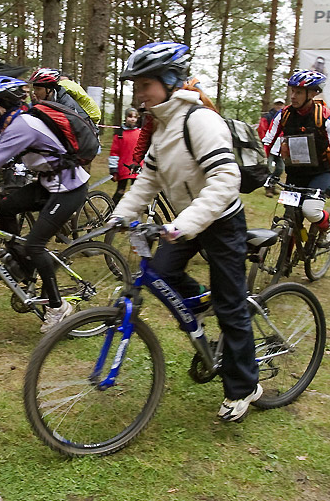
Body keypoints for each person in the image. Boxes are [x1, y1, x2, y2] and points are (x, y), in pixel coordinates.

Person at [110, 41, 261, 422]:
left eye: (145, 85)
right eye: (137, 86)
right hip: (186, 221)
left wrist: (183, 225)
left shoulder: (199, 120)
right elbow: (147, 180)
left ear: (169, 80)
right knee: (159, 273)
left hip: (222, 220)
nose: (139, 93)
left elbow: (227, 179)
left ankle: (244, 387)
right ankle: (199, 304)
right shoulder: (162, 127)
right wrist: (119, 214)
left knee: (231, 305)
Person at [0, 75, 89, 333]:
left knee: (35, 243)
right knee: (6, 207)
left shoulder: (22, 125)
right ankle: (24, 265)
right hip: (48, 184)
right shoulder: (11, 125)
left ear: (2, 105)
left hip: (69, 188)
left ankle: (58, 307)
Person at [262, 70, 330, 234]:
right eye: (292, 91)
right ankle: (287, 258)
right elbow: (267, 142)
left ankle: (327, 228)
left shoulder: (325, 117)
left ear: (313, 93)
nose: (293, 96)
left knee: (310, 211)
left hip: (320, 173)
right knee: (291, 217)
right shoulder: (284, 115)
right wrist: (262, 170)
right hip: (295, 174)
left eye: (298, 92)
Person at [28, 68, 96, 123]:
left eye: (38, 89)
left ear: (49, 89)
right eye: (34, 89)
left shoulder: (66, 104)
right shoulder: (41, 101)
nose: (35, 92)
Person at [108, 107, 140, 203]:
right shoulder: (119, 134)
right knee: (120, 192)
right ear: (125, 117)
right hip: (124, 168)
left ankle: (136, 215)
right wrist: (114, 170)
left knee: (137, 194)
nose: (132, 119)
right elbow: (114, 152)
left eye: (135, 117)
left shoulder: (140, 133)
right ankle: (109, 213)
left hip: (137, 169)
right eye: (130, 116)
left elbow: (145, 151)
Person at [257, 97, 285, 198]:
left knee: (280, 168)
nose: (279, 106)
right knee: (269, 169)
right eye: (277, 104)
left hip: (280, 148)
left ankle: (273, 185)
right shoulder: (267, 117)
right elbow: (262, 130)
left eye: (281, 104)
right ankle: (268, 189)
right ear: (274, 105)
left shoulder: (285, 117)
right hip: (269, 147)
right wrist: (265, 144)